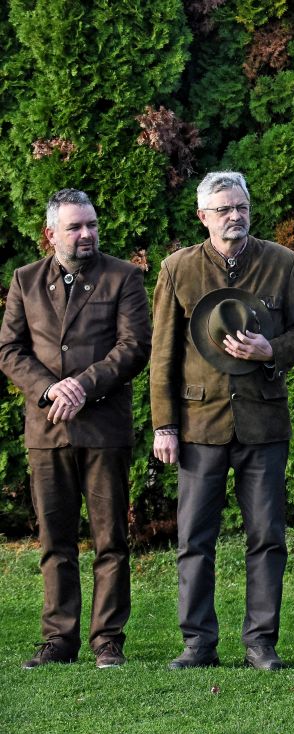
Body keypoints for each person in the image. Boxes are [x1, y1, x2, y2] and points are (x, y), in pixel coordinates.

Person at [150, 171, 294, 671]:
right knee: (193, 539)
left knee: (267, 536)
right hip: (198, 425)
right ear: (202, 217)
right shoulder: (177, 269)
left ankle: (260, 643)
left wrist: (272, 350)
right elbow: (162, 355)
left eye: (241, 207)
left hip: (263, 423)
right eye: (223, 209)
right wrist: (164, 426)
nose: (234, 216)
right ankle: (197, 643)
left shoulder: (282, 263)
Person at [0, 189, 151, 669]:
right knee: (55, 542)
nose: (87, 234)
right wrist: (51, 390)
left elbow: (134, 347)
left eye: (91, 224)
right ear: (51, 234)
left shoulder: (123, 276)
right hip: (47, 430)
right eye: (75, 227)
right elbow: (10, 351)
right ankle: (58, 640)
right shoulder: (25, 280)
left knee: (111, 540)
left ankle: (108, 640)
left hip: (104, 429)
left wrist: (83, 386)